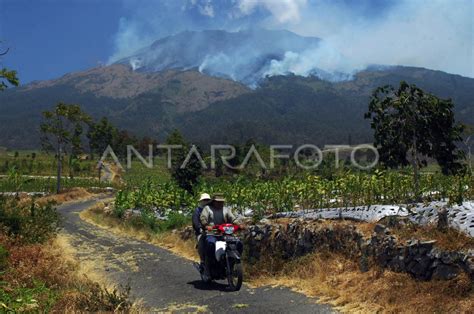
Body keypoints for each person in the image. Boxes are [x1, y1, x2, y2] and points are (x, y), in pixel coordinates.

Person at [200, 194, 239, 276]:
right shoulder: (207, 209)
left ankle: (231, 262)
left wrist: (239, 224)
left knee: (238, 243)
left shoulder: (226, 209)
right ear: (214, 202)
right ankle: (209, 266)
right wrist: (207, 225)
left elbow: (233, 218)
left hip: (225, 232)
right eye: (218, 202)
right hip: (212, 233)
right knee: (211, 244)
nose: (220, 203)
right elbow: (203, 218)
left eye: (222, 202)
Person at [193, 193, 211, 268]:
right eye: (204, 200)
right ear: (201, 201)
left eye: (207, 200)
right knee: (201, 242)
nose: (206, 201)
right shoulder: (197, 211)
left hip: (214, 231)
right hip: (202, 232)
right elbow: (195, 222)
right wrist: (200, 229)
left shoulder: (211, 209)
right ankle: (203, 260)